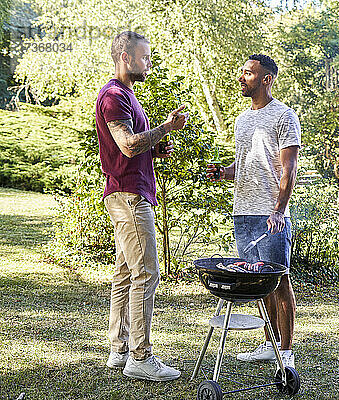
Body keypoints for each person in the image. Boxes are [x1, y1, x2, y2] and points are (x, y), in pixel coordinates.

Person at [95, 31, 187, 382]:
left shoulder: (126, 96)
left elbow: (134, 147)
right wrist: (165, 128)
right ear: (124, 57)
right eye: (144, 57)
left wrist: (156, 146)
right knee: (147, 273)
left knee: (124, 273)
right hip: (130, 196)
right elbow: (129, 146)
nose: (148, 62)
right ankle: (140, 356)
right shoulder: (114, 96)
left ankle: (119, 350)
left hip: (126, 192)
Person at [207, 54, 300, 369]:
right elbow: (246, 164)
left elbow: (289, 168)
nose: (241, 78)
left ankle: (284, 352)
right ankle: (268, 344)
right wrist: (223, 173)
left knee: (280, 281)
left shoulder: (284, 116)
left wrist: (279, 209)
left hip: (270, 214)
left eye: (248, 73)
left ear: (267, 79)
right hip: (243, 213)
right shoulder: (242, 120)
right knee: (260, 283)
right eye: (242, 72)